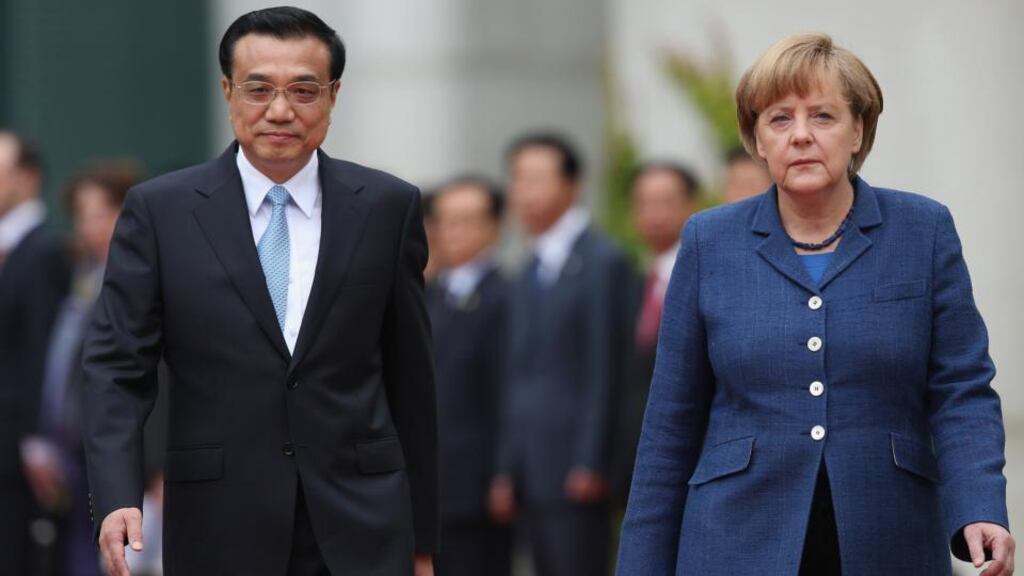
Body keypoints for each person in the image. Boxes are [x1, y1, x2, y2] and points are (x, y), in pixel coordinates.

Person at [616, 33, 1014, 575]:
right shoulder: (710, 241)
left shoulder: (922, 230)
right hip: (735, 541)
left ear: (858, 130)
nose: (800, 135)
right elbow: (670, 423)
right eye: (780, 119)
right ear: (758, 139)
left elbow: (961, 390)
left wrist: (980, 505)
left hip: (887, 536)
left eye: (823, 116)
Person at [80, 7, 438, 576]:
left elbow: (411, 380)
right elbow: (117, 367)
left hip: (363, 522)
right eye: (259, 89)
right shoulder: (161, 211)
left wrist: (423, 544)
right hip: (219, 521)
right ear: (228, 92)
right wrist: (118, 494)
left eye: (303, 90)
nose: (280, 110)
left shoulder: (387, 207)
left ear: (333, 95)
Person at [491, 132, 631, 576]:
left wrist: (592, 459)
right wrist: (507, 467)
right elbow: (517, 375)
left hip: (576, 469)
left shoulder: (603, 262)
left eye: (536, 179)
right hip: (531, 470)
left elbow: (606, 370)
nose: (524, 192)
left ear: (573, 186)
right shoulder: (527, 267)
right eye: (517, 179)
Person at [20, 163, 139, 576]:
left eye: (102, 214)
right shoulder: (81, 276)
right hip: (73, 444)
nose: (92, 227)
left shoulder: (140, 278)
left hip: (113, 447)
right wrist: (44, 437)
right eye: (83, 216)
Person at [426, 175, 512, 576]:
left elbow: (508, 393)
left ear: (494, 226)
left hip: (478, 481)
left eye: (466, 220)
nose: (453, 231)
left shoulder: (507, 296)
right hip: (428, 483)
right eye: (445, 220)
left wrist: (504, 472)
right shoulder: (425, 294)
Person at [0, 131, 72, 576]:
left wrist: (37, 441)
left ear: (28, 178)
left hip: (20, 453)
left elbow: (42, 350)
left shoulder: (42, 251)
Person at [612, 161, 698, 505]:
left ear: (691, 205)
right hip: (640, 455)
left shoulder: (706, 276)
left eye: (665, 201)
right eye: (644, 203)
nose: (654, 214)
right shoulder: (633, 280)